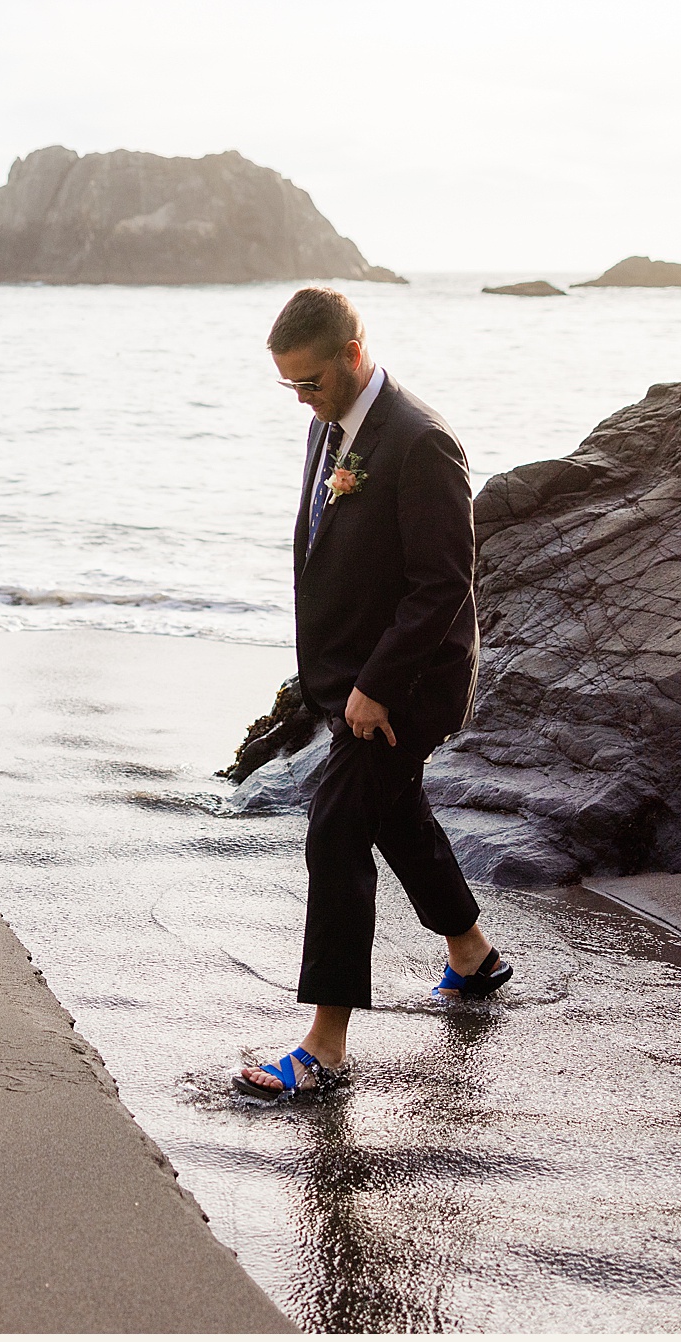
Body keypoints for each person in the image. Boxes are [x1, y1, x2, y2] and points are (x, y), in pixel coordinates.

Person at [237, 286, 508, 1101]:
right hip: (350, 682)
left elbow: (442, 587)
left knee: (337, 827)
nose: (302, 400)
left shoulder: (421, 443)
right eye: (289, 386)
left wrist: (377, 688)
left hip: (405, 690)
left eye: (312, 382)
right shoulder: (332, 428)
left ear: (353, 354)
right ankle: (474, 957)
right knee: (396, 815)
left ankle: (324, 1047)